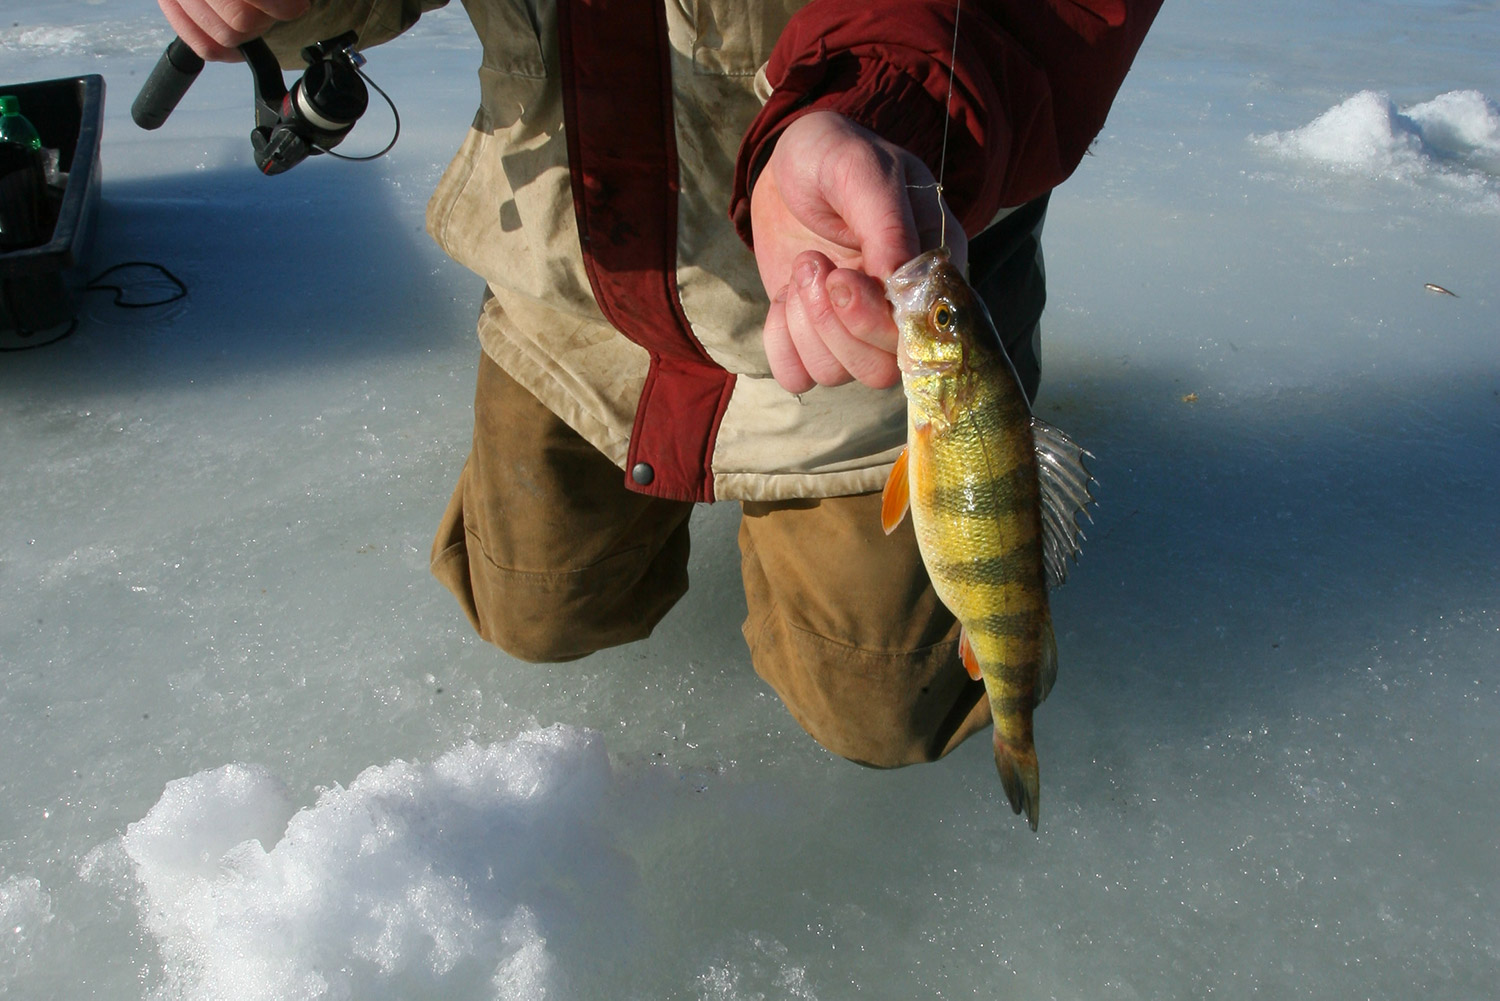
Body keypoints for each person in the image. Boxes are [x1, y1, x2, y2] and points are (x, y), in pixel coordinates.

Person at [156, 0, 1162, 766]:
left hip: (844, 276)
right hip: (578, 266)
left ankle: (969, 248)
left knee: (891, 700)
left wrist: (898, 109)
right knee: (533, 605)